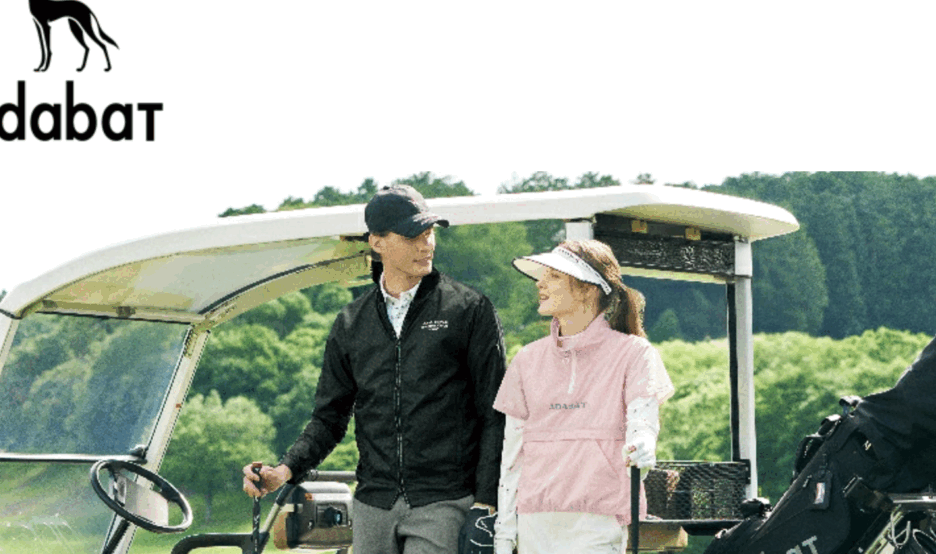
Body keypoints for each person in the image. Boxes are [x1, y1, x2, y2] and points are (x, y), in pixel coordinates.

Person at [242, 184, 507, 554]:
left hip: (444, 501)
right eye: (413, 236)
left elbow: (496, 412)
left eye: (429, 234)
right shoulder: (351, 322)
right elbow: (329, 418)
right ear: (377, 242)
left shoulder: (468, 309)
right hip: (373, 504)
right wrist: (284, 471)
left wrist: (486, 502)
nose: (426, 245)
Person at [492, 239, 675, 554]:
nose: (540, 283)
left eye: (554, 276)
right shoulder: (527, 359)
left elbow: (642, 422)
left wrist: (643, 446)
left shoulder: (634, 353)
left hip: (600, 520)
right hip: (534, 521)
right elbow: (512, 456)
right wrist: (504, 533)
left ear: (588, 289)